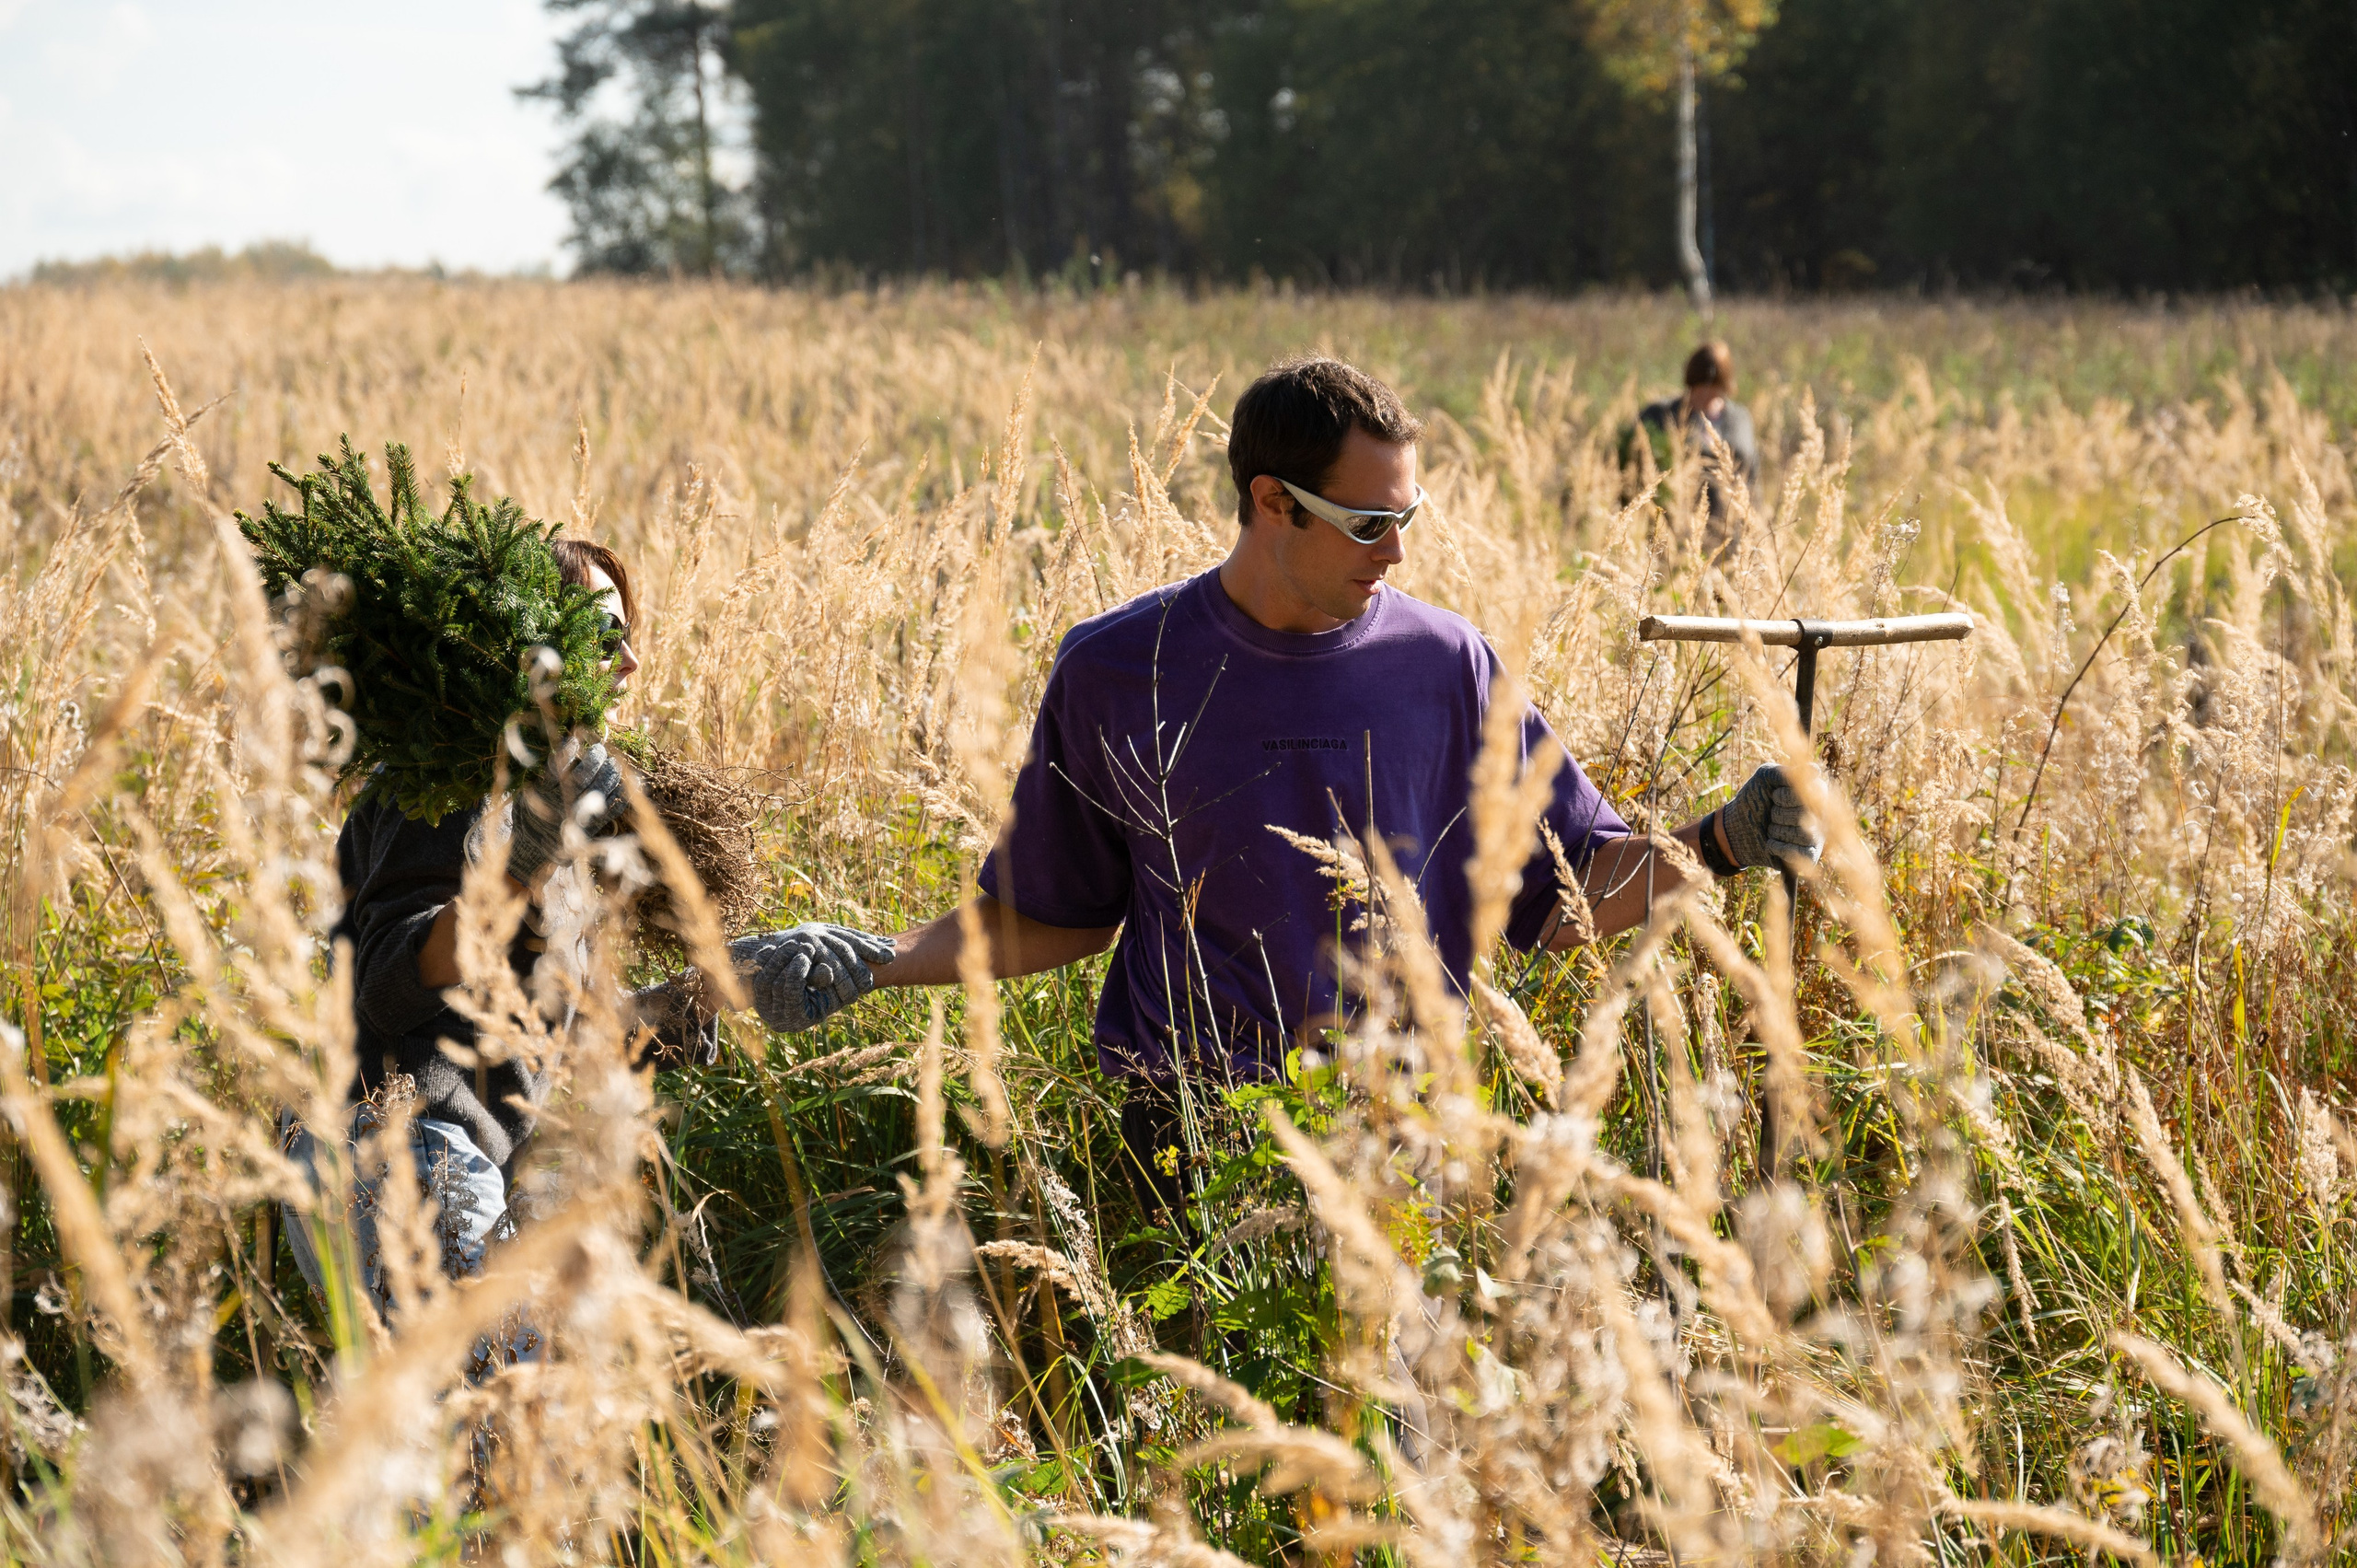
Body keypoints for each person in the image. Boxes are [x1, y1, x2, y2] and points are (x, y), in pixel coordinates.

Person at [867, 355, 1817, 1218]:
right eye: (1368, 523)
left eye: (1407, 517)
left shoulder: (1448, 663)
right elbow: (1055, 915)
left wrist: (1725, 837)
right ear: (1271, 500)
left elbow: (1564, 894)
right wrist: (866, 961)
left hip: (1402, 1140)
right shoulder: (1122, 667)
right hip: (1186, 1142)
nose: (1396, 551)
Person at [284, 537, 892, 1358]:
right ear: (539, 645)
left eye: (632, 634)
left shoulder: (547, 801)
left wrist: (708, 995)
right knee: (511, 1439)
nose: (633, 662)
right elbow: (391, 984)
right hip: (399, 1151)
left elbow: (547, 1037)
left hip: (444, 1161)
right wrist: (522, 862)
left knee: (468, 1450)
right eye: (606, 638)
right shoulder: (454, 779)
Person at [1628, 341, 1760, 545]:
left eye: (1713, 389)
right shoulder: (1659, 415)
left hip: (1723, 532)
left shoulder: (1738, 420)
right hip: (1670, 529)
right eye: (1700, 389)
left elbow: (1749, 473)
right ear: (1690, 384)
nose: (1705, 396)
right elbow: (1633, 460)